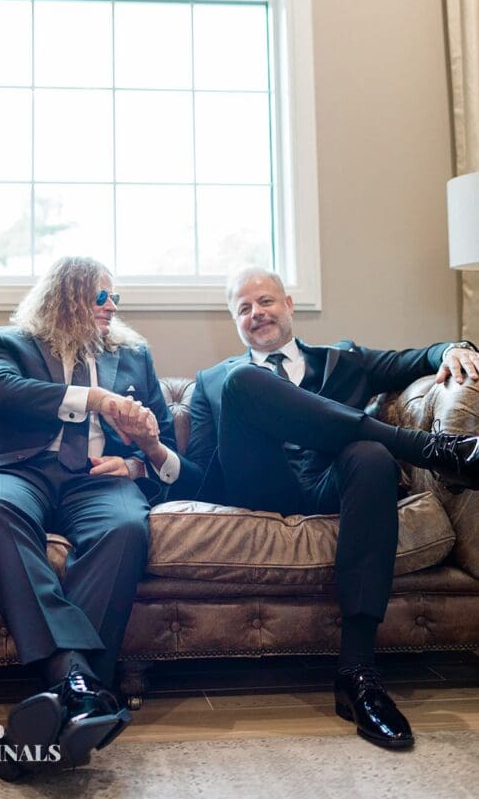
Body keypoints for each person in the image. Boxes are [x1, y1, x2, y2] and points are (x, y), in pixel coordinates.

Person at [182, 265, 479, 751]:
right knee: (243, 381)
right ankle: (433, 450)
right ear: (235, 321)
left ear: (289, 305)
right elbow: (196, 472)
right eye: (244, 308)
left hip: (328, 484)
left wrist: (455, 347)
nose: (257, 313)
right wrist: (152, 455)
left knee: (370, 454)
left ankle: (358, 675)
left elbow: (417, 357)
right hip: (259, 484)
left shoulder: (346, 361)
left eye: (266, 301)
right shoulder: (214, 381)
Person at [0, 256, 183, 780]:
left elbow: (165, 442)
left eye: (114, 297)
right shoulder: (9, 342)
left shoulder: (135, 355)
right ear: (67, 295)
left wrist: (140, 456)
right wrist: (92, 398)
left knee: (124, 527)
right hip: (17, 471)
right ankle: (84, 689)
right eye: (101, 296)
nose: (113, 306)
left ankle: (62, 704)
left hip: (100, 478)